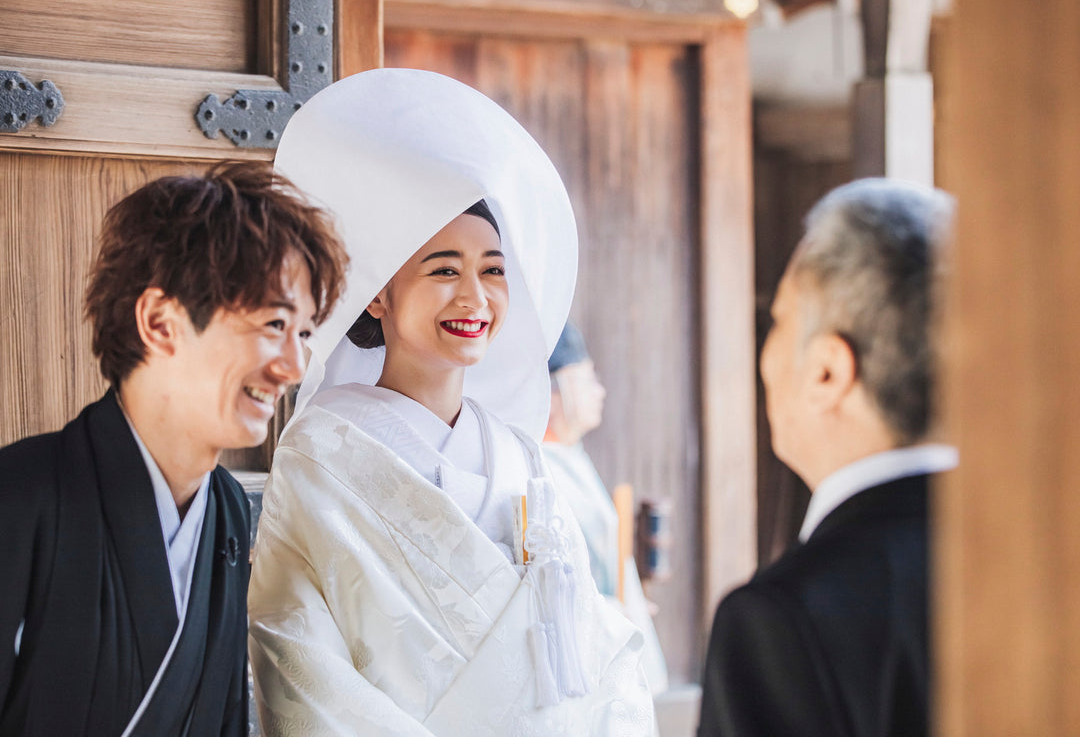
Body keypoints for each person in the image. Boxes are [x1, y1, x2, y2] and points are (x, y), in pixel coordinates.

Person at [248, 68, 657, 736]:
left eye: (492, 269)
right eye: (443, 270)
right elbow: (299, 664)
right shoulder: (322, 452)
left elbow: (590, 643)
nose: (474, 298)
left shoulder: (519, 453)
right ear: (378, 293)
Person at [0, 162, 348, 737]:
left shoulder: (224, 509)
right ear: (159, 321)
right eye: (274, 324)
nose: (295, 366)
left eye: (305, 333)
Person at [697, 178, 956, 737]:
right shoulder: (1045, 563)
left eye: (780, 320)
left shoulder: (782, 623)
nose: (765, 354)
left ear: (827, 372)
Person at [542, 321, 670, 695]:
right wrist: (604, 608)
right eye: (586, 380)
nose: (599, 391)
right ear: (553, 393)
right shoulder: (541, 468)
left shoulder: (571, 458)